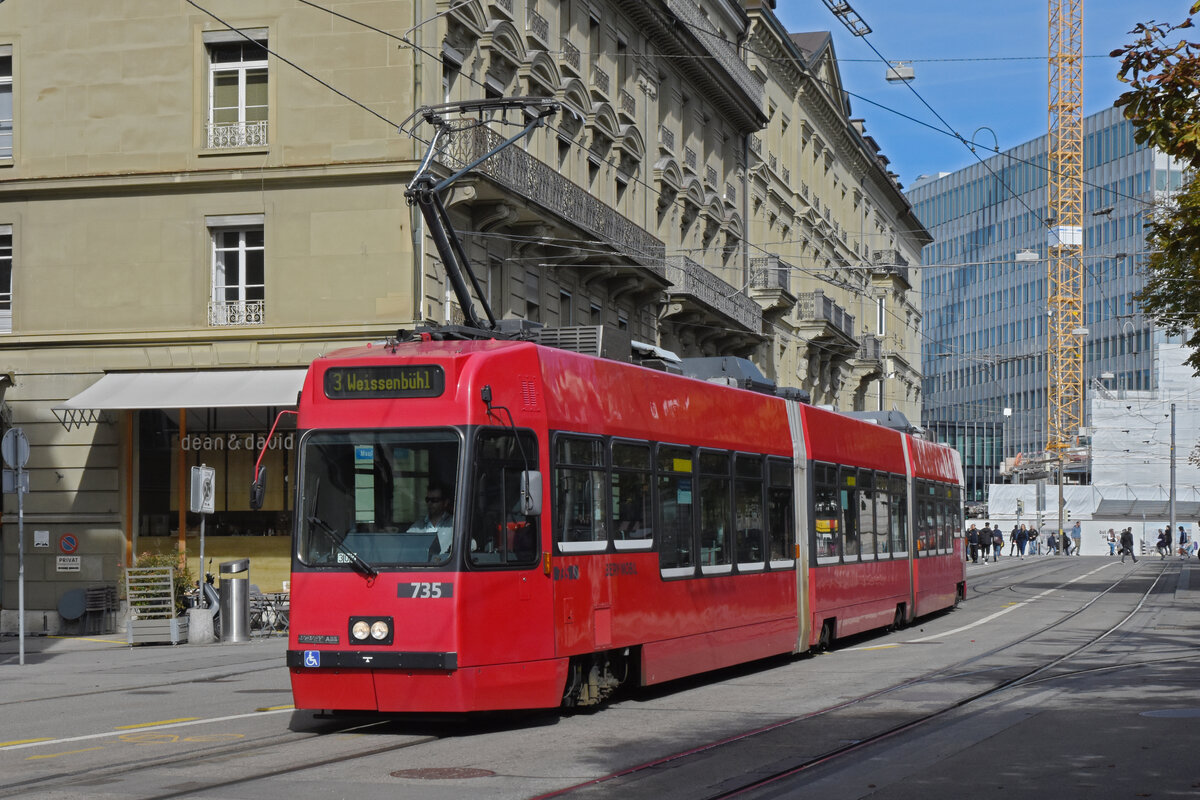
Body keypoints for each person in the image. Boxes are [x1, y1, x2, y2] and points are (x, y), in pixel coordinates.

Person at [409, 483, 454, 560]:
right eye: (428, 500)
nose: (430, 503)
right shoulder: (417, 526)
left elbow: (471, 546)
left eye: (434, 500)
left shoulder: (454, 525)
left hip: (445, 569)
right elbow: (405, 546)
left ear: (445, 502)